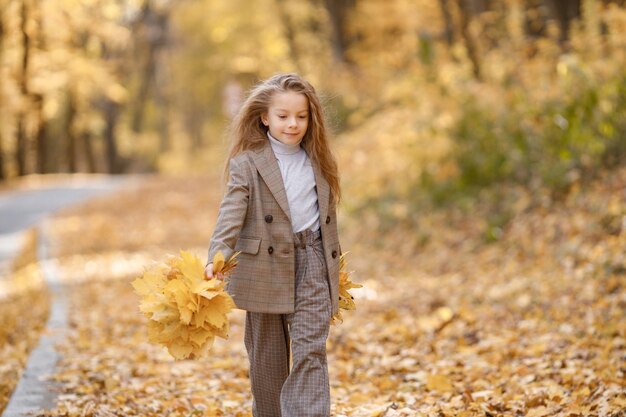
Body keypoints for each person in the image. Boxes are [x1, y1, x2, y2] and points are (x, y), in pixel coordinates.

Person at [204, 73, 342, 417]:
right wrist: (217, 255)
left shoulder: (319, 161)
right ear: (264, 117)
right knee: (268, 361)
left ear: (312, 118)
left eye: (301, 116)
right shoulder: (247, 164)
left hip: (311, 260)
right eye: (283, 116)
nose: (293, 124)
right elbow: (231, 212)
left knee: (311, 350)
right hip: (264, 266)